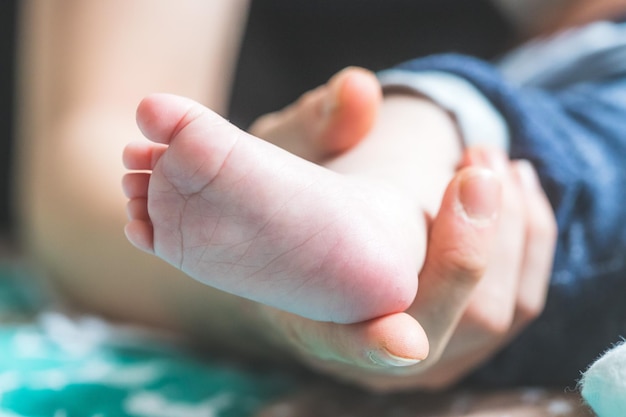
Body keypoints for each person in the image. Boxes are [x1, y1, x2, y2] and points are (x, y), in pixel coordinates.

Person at [12, 0, 626, 392]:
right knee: (431, 129)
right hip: (543, 123)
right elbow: (86, 153)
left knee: (432, 131)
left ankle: (378, 217)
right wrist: (262, 310)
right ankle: (377, 222)